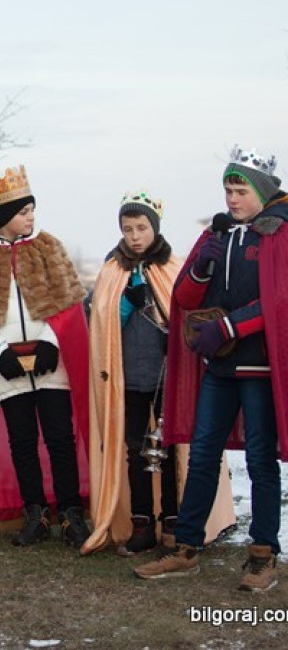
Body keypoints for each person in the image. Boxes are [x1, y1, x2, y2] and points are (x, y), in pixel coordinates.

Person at [134, 146, 288, 591]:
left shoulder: (278, 233)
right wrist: (204, 264)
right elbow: (183, 299)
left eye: (240, 190)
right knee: (202, 455)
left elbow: (279, 299)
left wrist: (229, 325)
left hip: (260, 366)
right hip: (219, 368)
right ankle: (185, 548)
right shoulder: (217, 235)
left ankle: (263, 553)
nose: (231, 199)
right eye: (227, 190)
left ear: (261, 192)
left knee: (260, 461)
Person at [81, 191, 235, 556]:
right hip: (128, 377)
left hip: (167, 376)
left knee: (166, 447)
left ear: (155, 227)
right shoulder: (111, 270)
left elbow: (186, 317)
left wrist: (173, 338)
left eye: (141, 227)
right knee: (134, 450)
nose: (134, 236)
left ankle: (172, 519)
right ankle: (140, 523)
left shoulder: (173, 268)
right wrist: (124, 304)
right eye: (127, 228)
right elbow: (100, 322)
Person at [0, 164, 91, 547]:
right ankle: (35, 512)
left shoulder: (49, 247)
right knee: (22, 440)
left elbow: (67, 301)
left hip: (50, 363)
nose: (31, 218)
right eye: (24, 212)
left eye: (32, 211)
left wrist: (49, 342)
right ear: (5, 216)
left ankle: (72, 512)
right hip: (7, 365)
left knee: (60, 437)